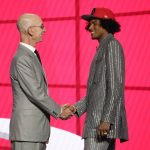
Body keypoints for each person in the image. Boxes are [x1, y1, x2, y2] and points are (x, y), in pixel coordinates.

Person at [9, 13, 72, 150]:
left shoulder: (30, 55)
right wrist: (59, 110)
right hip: (27, 132)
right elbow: (36, 93)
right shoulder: (22, 59)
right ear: (31, 30)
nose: (45, 30)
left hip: (35, 132)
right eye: (41, 27)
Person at [71, 7, 128, 150]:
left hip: (100, 125)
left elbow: (115, 86)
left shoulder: (112, 45)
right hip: (97, 123)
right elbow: (95, 92)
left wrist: (107, 120)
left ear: (106, 24)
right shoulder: (103, 48)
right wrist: (74, 109)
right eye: (89, 23)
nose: (89, 27)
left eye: (94, 23)